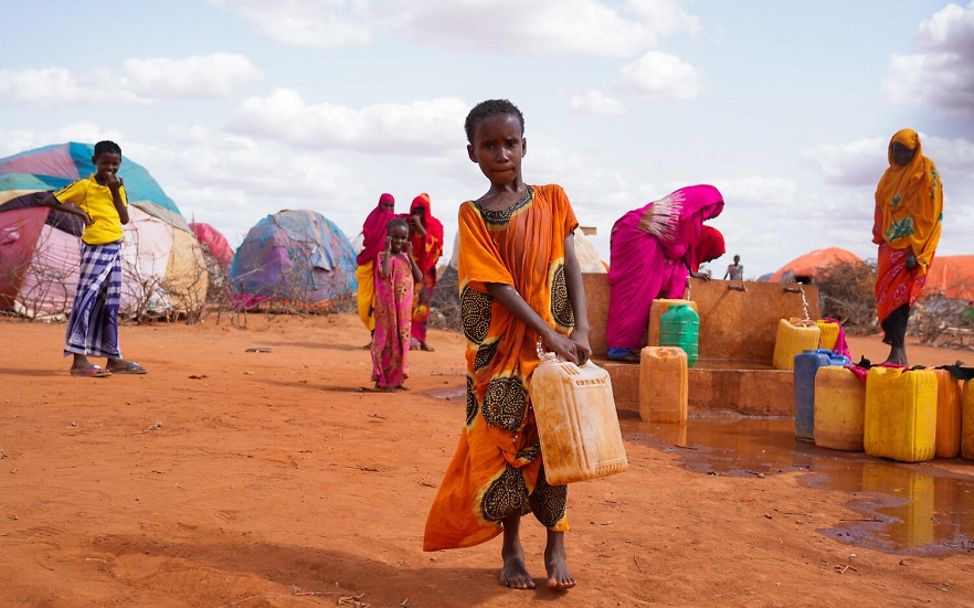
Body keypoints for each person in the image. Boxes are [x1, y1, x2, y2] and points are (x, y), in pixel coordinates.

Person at [423, 99, 590, 592]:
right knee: (507, 444)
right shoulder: (473, 215)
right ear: (472, 152)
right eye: (489, 145)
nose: (501, 153)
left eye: (510, 143)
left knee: (558, 441)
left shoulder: (554, 199)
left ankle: (556, 542)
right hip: (502, 352)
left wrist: (579, 329)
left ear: (525, 146)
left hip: (556, 345)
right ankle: (512, 545)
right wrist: (550, 334)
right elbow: (496, 285)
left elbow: (571, 265)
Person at [41, 140, 147, 377]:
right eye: (105, 163)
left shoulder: (118, 186)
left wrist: (113, 190)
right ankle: (79, 361)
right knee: (86, 300)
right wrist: (77, 211)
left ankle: (113, 358)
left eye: (115, 164)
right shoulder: (84, 186)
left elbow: (124, 218)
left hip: (115, 247)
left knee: (110, 303)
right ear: (95, 162)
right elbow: (50, 200)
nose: (110, 168)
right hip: (95, 248)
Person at [605, 187, 725, 362]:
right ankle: (619, 347)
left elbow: (682, 246)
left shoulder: (681, 211)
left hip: (631, 230)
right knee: (636, 292)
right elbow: (675, 249)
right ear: (706, 206)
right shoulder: (681, 216)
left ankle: (623, 345)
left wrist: (690, 269)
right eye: (712, 213)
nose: (711, 218)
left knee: (638, 292)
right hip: (637, 237)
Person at [873, 128, 943, 366]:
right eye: (896, 149)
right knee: (884, 295)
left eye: (905, 150)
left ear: (915, 151)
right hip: (889, 246)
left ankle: (897, 352)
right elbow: (881, 206)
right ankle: (898, 353)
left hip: (911, 250)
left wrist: (917, 250)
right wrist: (879, 234)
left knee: (899, 300)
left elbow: (930, 216)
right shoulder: (888, 176)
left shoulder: (926, 173)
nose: (900, 154)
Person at [370, 218, 422, 391]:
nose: (399, 241)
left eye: (403, 237)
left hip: (403, 310)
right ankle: (381, 378)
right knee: (384, 341)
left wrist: (411, 256)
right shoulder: (382, 256)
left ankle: (397, 379)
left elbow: (419, 277)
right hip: (387, 308)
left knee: (401, 341)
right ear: (388, 237)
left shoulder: (406, 258)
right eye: (395, 237)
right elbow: (385, 273)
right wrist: (386, 249)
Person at [355, 193, 396, 339]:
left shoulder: (396, 222)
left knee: (381, 305)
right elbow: (367, 240)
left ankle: (378, 339)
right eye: (386, 205)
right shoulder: (372, 220)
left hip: (387, 270)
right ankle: (375, 337)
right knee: (365, 304)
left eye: (391, 206)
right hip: (369, 266)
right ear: (380, 205)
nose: (388, 209)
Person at [407, 193, 444, 351]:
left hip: (426, 273)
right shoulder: (406, 223)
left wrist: (421, 229)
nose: (418, 213)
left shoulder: (435, 225)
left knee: (422, 307)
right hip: (408, 271)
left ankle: (420, 338)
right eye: (416, 210)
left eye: (422, 210)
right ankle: (406, 337)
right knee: (407, 306)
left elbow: (437, 247)